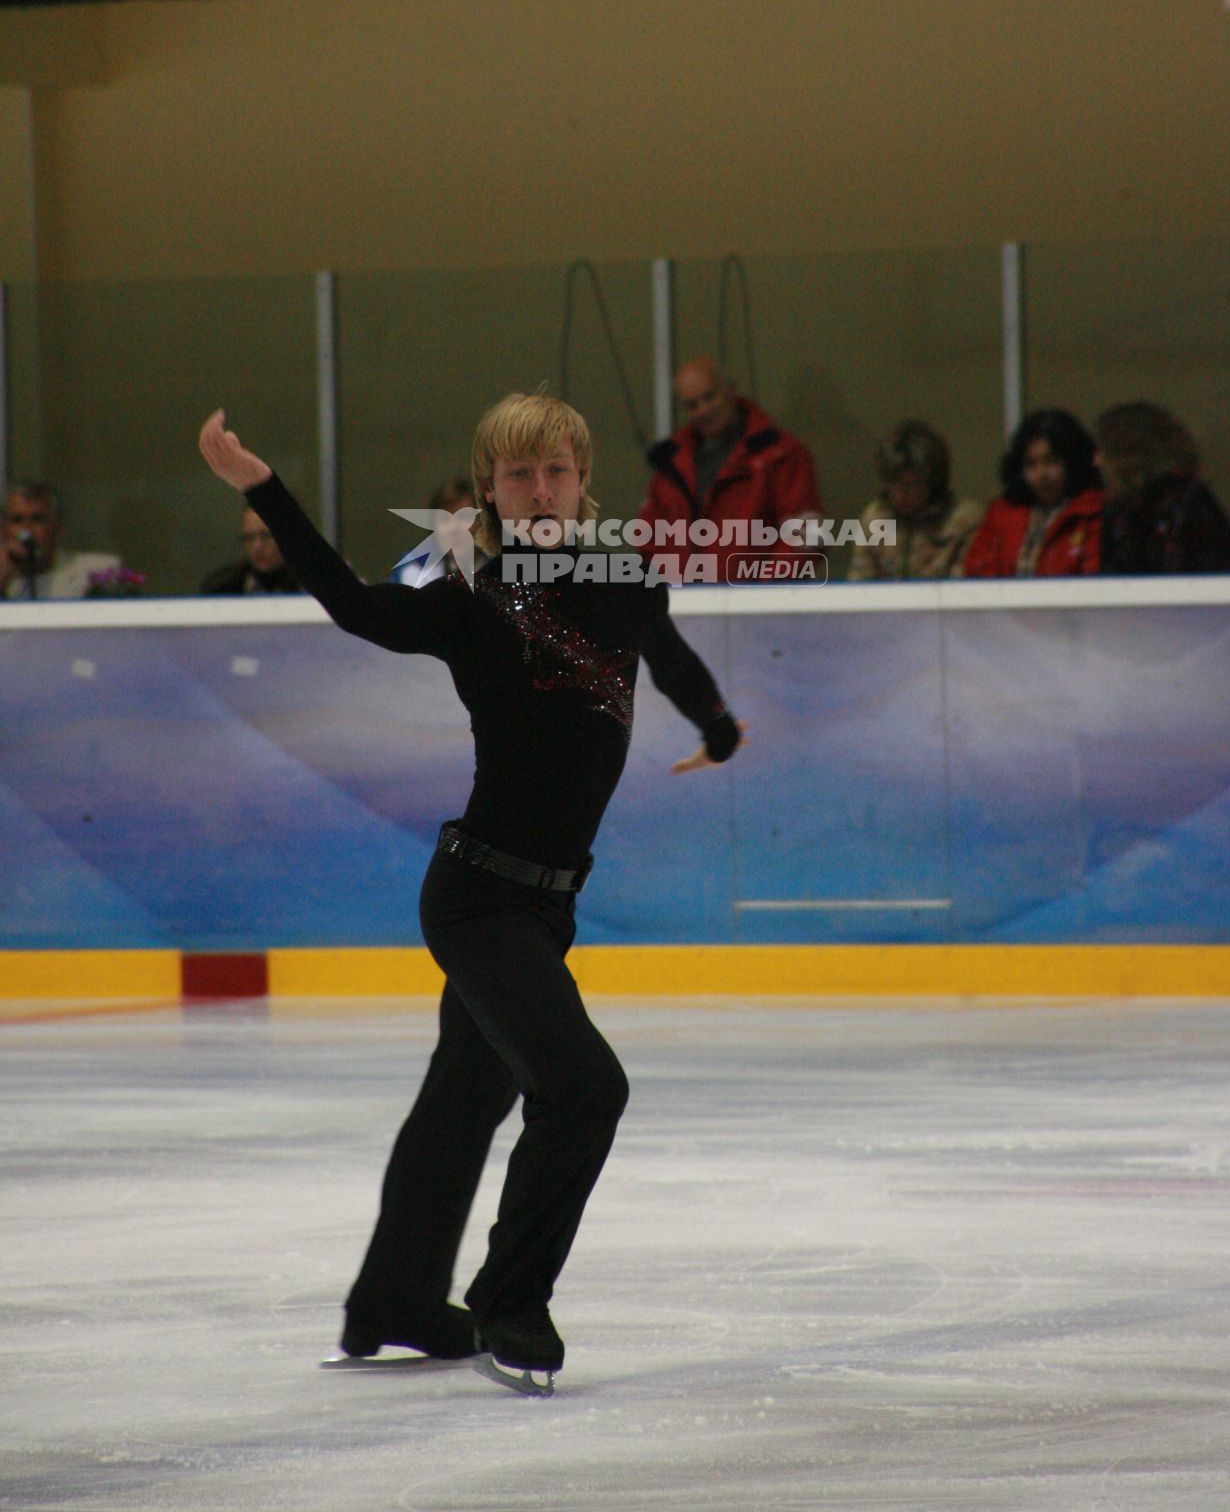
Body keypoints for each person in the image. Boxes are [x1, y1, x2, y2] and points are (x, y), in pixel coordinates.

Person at [198, 392, 742, 1394]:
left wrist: (715, 723)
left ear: (583, 482)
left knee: (462, 1103)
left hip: (546, 906)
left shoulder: (622, 582)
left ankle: (397, 1303)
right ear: (489, 490)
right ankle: (509, 1301)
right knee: (584, 1089)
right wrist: (264, 492)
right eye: (517, 475)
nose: (539, 491)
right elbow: (359, 606)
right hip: (478, 899)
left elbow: (665, 656)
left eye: (556, 472)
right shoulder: (471, 594)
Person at [640, 356, 822, 580]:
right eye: (692, 405)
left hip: (764, 605)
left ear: (730, 390)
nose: (704, 410)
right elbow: (649, 538)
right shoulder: (670, 464)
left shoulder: (782, 454)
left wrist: (764, 593)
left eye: (709, 397)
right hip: (686, 605)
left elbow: (806, 536)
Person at [1094, 401, 1230, 574]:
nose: (1097, 461)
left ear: (1129, 455)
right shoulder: (1120, 512)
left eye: (1104, 450)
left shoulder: (1188, 506)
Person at [964, 408, 1103, 578]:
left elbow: (1094, 580)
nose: (1041, 474)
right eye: (1031, 464)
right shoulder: (1002, 515)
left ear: (1072, 463)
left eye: (1051, 461)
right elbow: (978, 573)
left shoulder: (1091, 514)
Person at [848, 420, 981, 580]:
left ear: (932, 482)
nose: (900, 495)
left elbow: (966, 591)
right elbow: (860, 585)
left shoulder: (962, 521)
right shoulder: (876, 518)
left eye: (911, 485)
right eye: (893, 484)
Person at [1, 480, 120, 600]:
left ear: (58, 529)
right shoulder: (4, 579)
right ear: (3, 530)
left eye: (38, 519)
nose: (27, 531)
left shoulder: (97, 572)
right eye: (17, 520)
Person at [200, 505, 304, 595]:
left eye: (266, 535)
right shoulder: (225, 586)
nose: (257, 547)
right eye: (249, 538)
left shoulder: (308, 584)